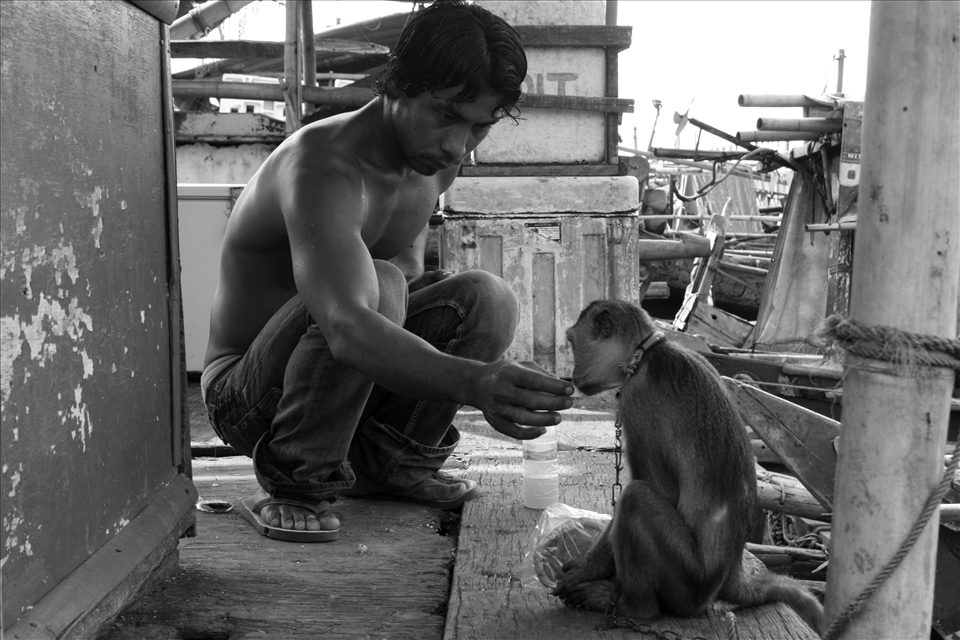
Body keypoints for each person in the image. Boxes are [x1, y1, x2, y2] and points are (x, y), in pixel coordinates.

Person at [201, 0, 574, 541]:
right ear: (396, 85)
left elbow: (400, 301)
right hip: (246, 397)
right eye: (445, 115)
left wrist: (479, 365)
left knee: (486, 298)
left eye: (479, 127)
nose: (458, 146)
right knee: (383, 283)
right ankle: (294, 480)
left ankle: (396, 465)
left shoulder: (433, 162)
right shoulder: (322, 167)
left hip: (339, 386)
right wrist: (477, 382)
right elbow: (350, 326)